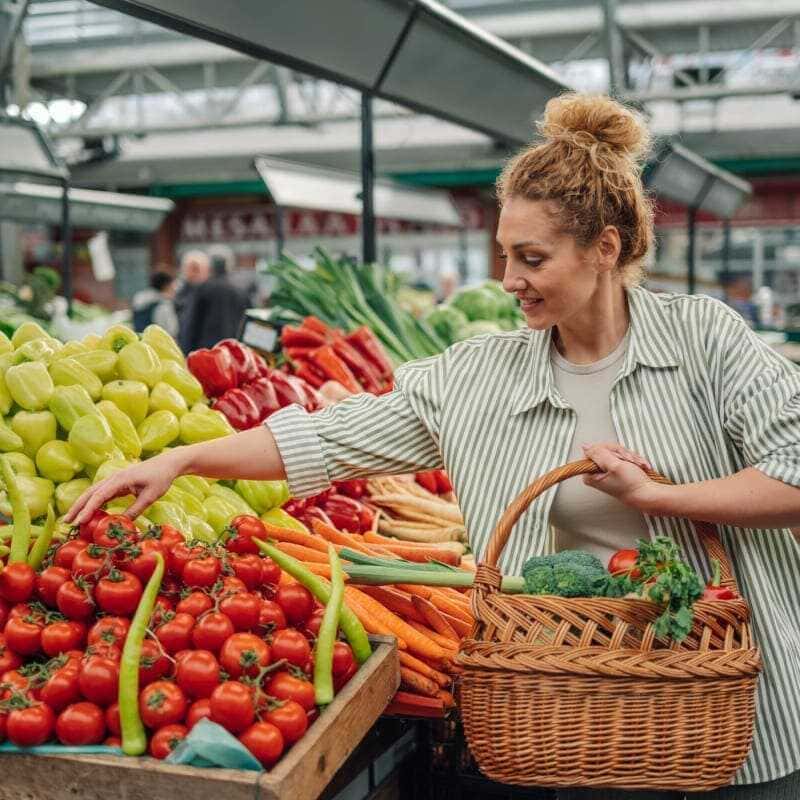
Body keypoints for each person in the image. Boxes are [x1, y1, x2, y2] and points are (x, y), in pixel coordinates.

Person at [67, 94, 800, 799]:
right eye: (504, 255)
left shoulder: (706, 340)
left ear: (605, 248)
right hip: (585, 722)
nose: (510, 280)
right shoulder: (478, 378)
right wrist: (184, 458)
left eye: (533, 258)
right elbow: (326, 439)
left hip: (738, 716)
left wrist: (658, 498)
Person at [179, 252, 248, 351]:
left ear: (209, 268)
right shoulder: (239, 290)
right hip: (233, 350)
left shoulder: (203, 288)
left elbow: (191, 325)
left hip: (206, 351)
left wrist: (186, 352)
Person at [175, 249, 211, 352]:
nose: (194, 273)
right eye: (191, 269)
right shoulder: (179, 293)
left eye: (197, 269)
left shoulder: (212, 293)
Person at [130, 270, 179, 336]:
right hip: (157, 344)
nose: (174, 290)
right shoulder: (164, 305)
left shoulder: (138, 298)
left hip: (139, 341)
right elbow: (172, 330)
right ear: (166, 286)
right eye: (172, 286)